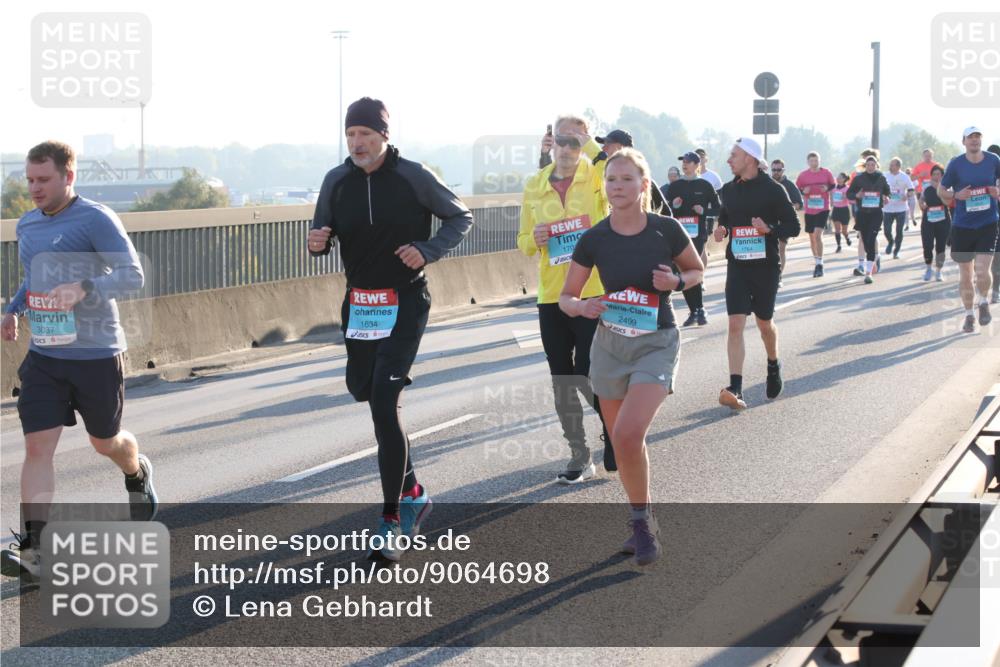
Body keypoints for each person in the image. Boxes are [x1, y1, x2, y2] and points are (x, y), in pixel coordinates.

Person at [308, 97, 473, 561]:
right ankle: (414, 491)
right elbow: (322, 233)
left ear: (384, 135)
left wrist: (428, 249)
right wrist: (317, 242)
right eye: (350, 135)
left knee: (384, 400)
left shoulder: (413, 176)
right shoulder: (336, 180)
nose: (356, 142)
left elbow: (460, 216)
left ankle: (392, 519)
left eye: (365, 134)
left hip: (405, 302)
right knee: (365, 392)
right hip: (360, 305)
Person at [0, 141, 155, 581]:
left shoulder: (95, 219)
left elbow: (132, 275)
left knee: (105, 442)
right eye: (30, 180)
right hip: (45, 357)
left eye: (44, 179)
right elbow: (33, 277)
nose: (35, 188)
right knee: (37, 448)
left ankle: (136, 470)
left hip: (96, 354)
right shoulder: (28, 224)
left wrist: (83, 288)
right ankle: (36, 547)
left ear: (69, 176)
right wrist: (13, 309)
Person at [560, 148, 703, 565]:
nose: (617, 186)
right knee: (622, 443)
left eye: (626, 179)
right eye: (611, 179)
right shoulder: (595, 238)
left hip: (656, 341)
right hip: (610, 345)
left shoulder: (665, 229)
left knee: (626, 433)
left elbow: (696, 270)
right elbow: (567, 296)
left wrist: (676, 282)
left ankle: (641, 525)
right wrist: (582, 307)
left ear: (644, 185)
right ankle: (643, 516)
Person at [520, 114, 616, 483]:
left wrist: (585, 139)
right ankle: (579, 452)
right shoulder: (535, 184)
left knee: (587, 373)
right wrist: (535, 238)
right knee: (562, 377)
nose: (566, 147)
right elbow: (523, 242)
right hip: (551, 294)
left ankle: (613, 431)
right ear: (550, 143)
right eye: (560, 139)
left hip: (592, 290)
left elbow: (612, 165)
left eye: (574, 140)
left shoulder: (597, 175)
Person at [713, 138, 800, 410]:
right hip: (738, 265)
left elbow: (794, 226)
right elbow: (725, 216)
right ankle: (736, 387)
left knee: (764, 324)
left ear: (750, 158)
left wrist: (769, 229)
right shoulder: (728, 190)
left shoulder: (773, 190)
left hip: (765, 267)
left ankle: (773, 364)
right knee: (735, 324)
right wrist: (722, 229)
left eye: (734, 155)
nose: (729, 160)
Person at [939, 126, 1000, 333]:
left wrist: (997, 191)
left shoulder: (993, 160)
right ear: (963, 141)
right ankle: (969, 315)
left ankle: (983, 302)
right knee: (966, 275)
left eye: (977, 137)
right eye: (970, 137)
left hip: (988, 223)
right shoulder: (956, 164)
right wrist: (956, 196)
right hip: (962, 226)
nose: (974, 140)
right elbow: (941, 190)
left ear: (981, 140)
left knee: (982, 270)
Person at [664, 151, 720, 326]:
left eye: (688, 162)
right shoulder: (675, 186)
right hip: (678, 234)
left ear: (697, 165)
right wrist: (673, 206)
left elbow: (718, 208)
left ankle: (699, 309)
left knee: (691, 268)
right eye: (683, 161)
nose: (684, 164)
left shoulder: (705, 185)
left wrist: (704, 211)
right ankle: (696, 310)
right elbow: (664, 210)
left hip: (698, 234)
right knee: (682, 270)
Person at [846, 155, 891, 284]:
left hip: (876, 213)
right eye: (868, 165)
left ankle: (868, 272)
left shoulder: (881, 178)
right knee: (865, 242)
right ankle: (874, 259)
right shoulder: (859, 179)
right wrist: (857, 195)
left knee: (871, 239)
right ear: (865, 166)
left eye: (873, 165)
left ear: (876, 166)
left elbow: (887, 191)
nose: (871, 167)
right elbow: (849, 194)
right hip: (862, 214)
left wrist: (887, 197)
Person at [795, 152, 836, 276]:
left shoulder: (826, 172)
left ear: (819, 161)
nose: (814, 163)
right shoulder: (803, 175)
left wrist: (827, 189)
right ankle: (817, 261)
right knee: (812, 238)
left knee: (818, 235)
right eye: (811, 161)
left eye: (816, 160)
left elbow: (833, 185)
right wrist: (804, 191)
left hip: (823, 208)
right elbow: (797, 188)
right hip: (809, 209)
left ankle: (820, 264)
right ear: (808, 162)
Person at [770, 159, 802, 286]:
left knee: (780, 249)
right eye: (774, 170)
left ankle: (778, 276)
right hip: (769, 222)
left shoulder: (790, 185)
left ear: (783, 170)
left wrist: (787, 209)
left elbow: (799, 204)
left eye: (779, 170)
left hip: (784, 223)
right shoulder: (767, 183)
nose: (776, 172)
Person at [918, 164, 951, 282]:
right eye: (934, 174)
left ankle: (938, 271)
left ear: (942, 176)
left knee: (940, 247)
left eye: (938, 174)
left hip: (943, 221)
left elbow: (947, 203)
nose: (936, 176)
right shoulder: (926, 186)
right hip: (928, 220)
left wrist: (939, 190)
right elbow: (921, 199)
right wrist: (921, 204)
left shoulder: (946, 187)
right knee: (927, 245)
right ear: (931, 175)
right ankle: (928, 269)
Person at [883, 158, 912, 259]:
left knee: (899, 231)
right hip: (888, 208)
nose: (890, 166)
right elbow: (879, 188)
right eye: (890, 164)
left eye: (892, 165)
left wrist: (907, 196)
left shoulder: (905, 177)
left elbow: (911, 190)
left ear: (898, 166)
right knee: (886, 230)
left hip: (901, 208)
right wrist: (883, 196)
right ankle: (891, 242)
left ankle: (896, 251)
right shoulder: (885, 175)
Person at [830, 172, 853, 253]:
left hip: (844, 210)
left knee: (844, 231)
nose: (838, 179)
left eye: (840, 178)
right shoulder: (833, 188)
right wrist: (831, 202)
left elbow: (851, 199)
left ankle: (847, 237)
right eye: (837, 177)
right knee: (837, 230)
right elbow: (831, 196)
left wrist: (846, 196)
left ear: (844, 179)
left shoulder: (847, 188)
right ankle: (839, 245)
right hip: (836, 210)